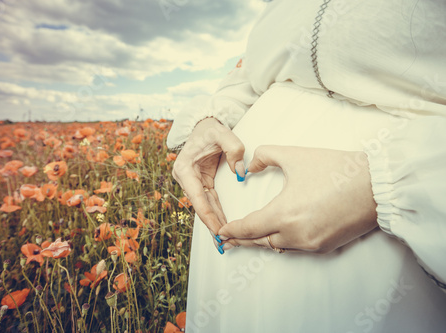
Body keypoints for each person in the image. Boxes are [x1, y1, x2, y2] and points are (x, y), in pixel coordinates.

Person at [167, 0, 446, 332]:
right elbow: (259, 67)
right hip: (228, 254)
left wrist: (376, 186)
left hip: (388, 227)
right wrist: (214, 116)